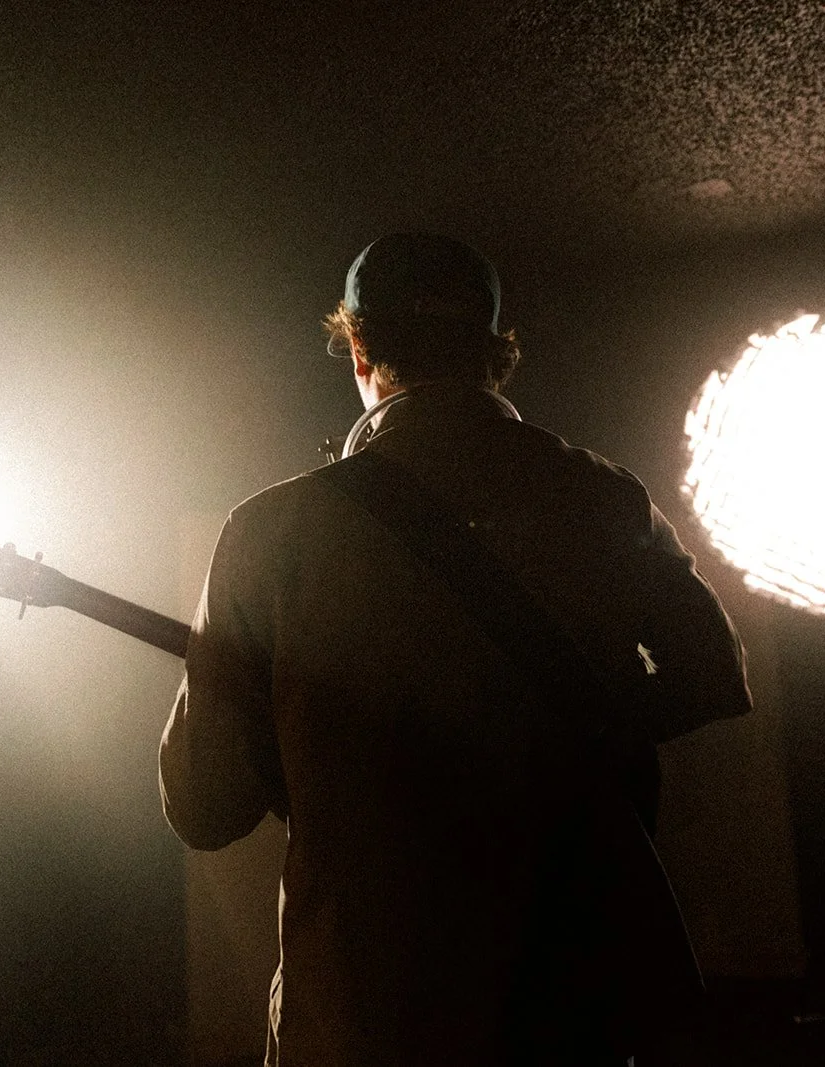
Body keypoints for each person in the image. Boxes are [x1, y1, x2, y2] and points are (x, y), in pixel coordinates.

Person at [160, 233, 752, 1066]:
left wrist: (300, 737)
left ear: (359, 345)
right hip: (567, 1008)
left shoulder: (272, 531)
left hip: (362, 1019)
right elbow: (715, 676)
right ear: (495, 348)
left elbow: (204, 803)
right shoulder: (601, 497)